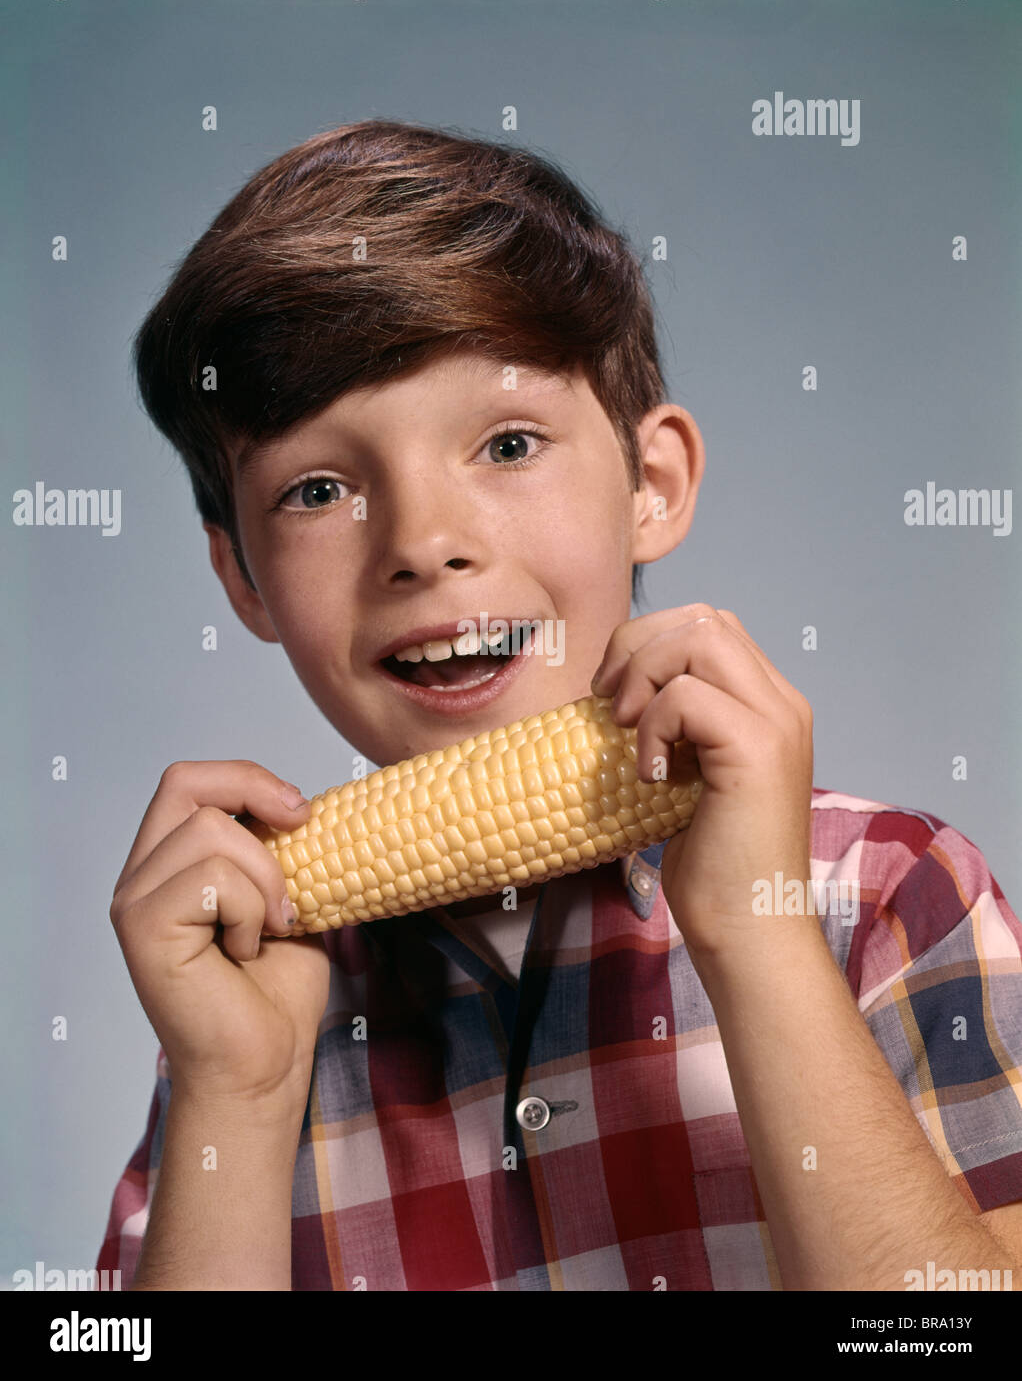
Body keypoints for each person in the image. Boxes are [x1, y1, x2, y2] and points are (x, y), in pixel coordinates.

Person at [97, 119, 1022, 1291]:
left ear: (654, 486)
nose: (424, 545)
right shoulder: (241, 1019)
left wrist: (759, 939)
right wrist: (238, 1094)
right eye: (319, 487)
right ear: (241, 579)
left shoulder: (889, 896)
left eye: (508, 441)